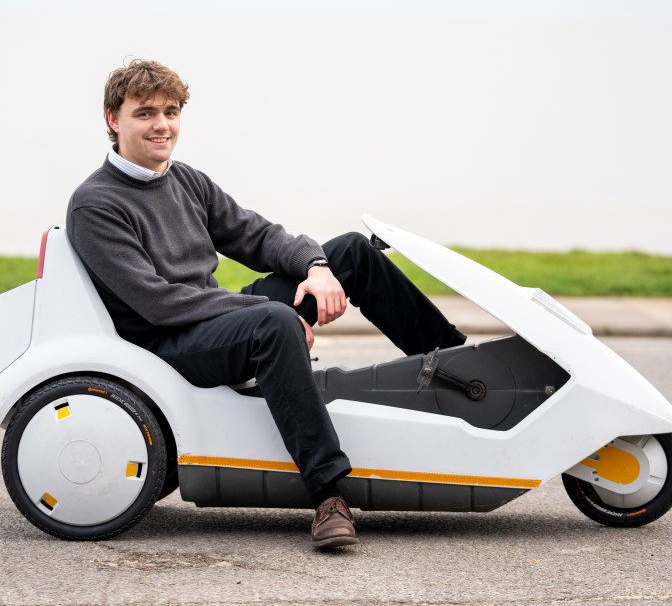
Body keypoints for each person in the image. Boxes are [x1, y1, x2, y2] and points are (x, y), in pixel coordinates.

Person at [66, 59, 467, 548]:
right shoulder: (95, 203)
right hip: (165, 344)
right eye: (145, 113)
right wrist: (257, 311)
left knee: (351, 254)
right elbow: (157, 303)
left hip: (212, 316)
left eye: (170, 112)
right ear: (114, 119)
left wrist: (316, 268)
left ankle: (460, 369)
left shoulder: (186, 180)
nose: (162, 125)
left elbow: (257, 236)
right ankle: (328, 495)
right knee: (275, 323)